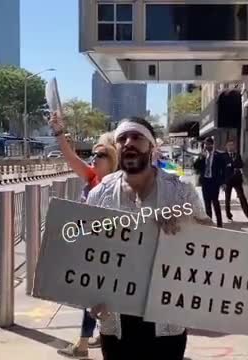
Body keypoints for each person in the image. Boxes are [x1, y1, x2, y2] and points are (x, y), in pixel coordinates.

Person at [85, 117, 212, 360]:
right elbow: (87, 250)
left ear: (151, 146)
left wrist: (183, 223)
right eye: (122, 138)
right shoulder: (99, 196)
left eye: (137, 137)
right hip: (116, 321)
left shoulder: (179, 192)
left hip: (166, 319)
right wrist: (90, 297)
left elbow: (209, 233)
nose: (129, 143)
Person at [49, 113, 119, 359]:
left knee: (94, 297)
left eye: (101, 155)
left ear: (114, 159)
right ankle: (90, 340)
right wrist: (59, 133)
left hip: (107, 252)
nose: (95, 159)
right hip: (90, 248)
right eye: (94, 154)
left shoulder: (121, 187)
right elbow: (71, 158)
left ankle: (82, 345)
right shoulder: (92, 178)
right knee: (95, 297)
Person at [193, 137, 226, 227]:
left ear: (212, 144)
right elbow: (196, 167)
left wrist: (223, 182)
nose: (207, 146)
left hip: (214, 182)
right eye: (205, 144)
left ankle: (219, 223)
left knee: (215, 202)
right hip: (205, 182)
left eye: (208, 144)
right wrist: (200, 157)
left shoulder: (218, 155)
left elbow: (224, 169)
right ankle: (210, 222)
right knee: (207, 203)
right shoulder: (203, 155)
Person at [223, 140, 248, 222]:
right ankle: (228, 215)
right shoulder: (224, 156)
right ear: (226, 147)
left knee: (242, 196)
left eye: (232, 145)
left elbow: (241, 164)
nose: (231, 147)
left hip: (237, 179)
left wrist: (231, 165)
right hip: (228, 180)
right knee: (227, 198)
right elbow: (223, 168)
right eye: (229, 145)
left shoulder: (237, 155)